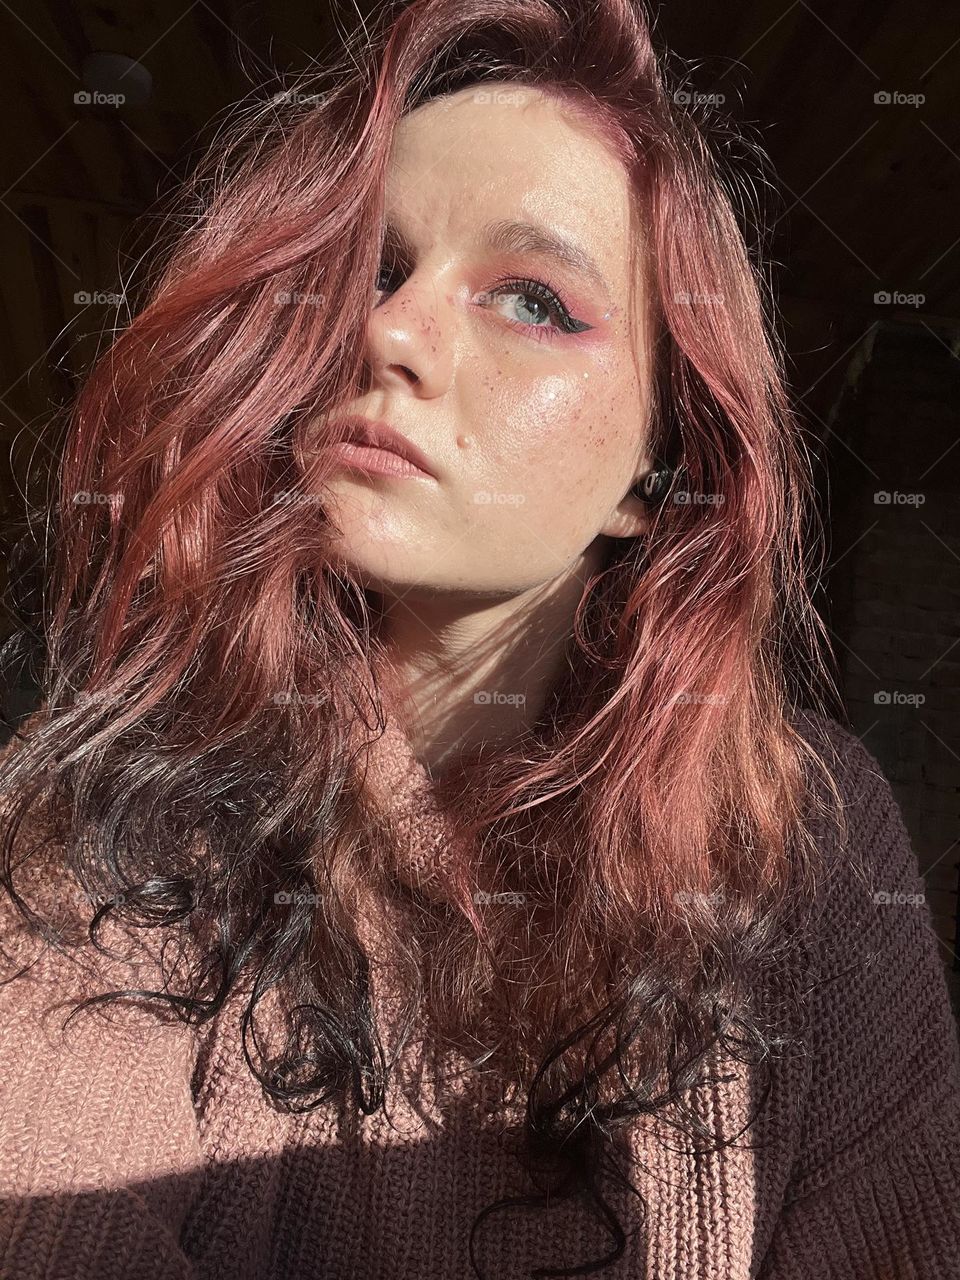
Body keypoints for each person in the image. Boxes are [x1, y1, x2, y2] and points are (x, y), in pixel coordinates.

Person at [2, 0, 959, 1276]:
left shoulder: (805, 846)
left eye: (534, 300)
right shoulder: (121, 798)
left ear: (655, 468)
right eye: (373, 269)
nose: (388, 332)